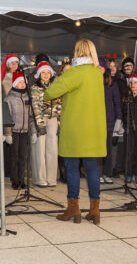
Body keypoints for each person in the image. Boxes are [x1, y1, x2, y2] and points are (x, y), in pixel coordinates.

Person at [44, 39, 106, 225]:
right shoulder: (97, 74)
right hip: (94, 128)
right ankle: (95, 210)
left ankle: (73, 208)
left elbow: (50, 93)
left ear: (77, 52)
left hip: (75, 128)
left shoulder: (74, 72)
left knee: (72, 167)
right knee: (92, 168)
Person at [30, 61, 61, 187]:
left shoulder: (55, 86)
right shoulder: (35, 88)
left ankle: (51, 178)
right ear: (39, 74)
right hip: (41, 119)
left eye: (48, 72)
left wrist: (58, 121)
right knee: (39, 150)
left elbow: (59, 104)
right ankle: (40, 178)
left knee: (52, 150)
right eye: (43, 72)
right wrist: (39, 123)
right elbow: (35, 106)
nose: (46, 75)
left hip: (53, 119)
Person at [98, 58, 122, 184]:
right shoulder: (92, 83)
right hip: (96, 121)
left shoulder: (111, 84)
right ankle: (98, 174)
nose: (99, 69)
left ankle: (107, 173)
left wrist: (119, 119)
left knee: (108, 149)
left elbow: (117, 102)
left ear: (105, 69)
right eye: (97, 67)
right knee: (97, 149)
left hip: (109, 121)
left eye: (101, 67)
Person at [4, 71, 30, 190]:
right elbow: (7, 117)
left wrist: (33, 131)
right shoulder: (9, 98)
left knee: (23, 156)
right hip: (14, 130)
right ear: (14, 84)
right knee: (14, 156)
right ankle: (14, 180)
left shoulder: (28, 97)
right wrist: (8, 133)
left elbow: (31, 116)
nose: (22, 84)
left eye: (23, 82)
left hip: (24, 131)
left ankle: (21, 179)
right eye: (19, 82)